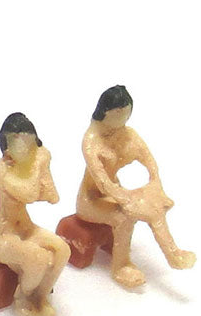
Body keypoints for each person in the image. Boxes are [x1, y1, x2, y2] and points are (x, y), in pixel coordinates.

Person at [76, 85, 196, 287]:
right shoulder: (91, 141)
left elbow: (150, 162)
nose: (123, 119)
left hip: (116, 192)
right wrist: (127, 199)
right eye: (118, 114)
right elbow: (103, 183)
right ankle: (120, 266)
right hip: (91, 199)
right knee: (124, 217)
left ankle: (173, 252)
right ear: (105, 113)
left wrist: (155, 185)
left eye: (127, 113)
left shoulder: (128, 134)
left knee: (153, 206)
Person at [0, 113, 70, 316]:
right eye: (21, 144)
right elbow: (29, 193)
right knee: (37, 258)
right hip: (2, 236)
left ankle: (40, 296)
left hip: (25, 229)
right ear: (7, 149)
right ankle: (23, 297)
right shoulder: (1, 170)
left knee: (62, 249)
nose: (28, 150)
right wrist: (39, 164)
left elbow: (52, 196)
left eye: (31, 144)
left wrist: (44, 166)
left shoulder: (29, 168)